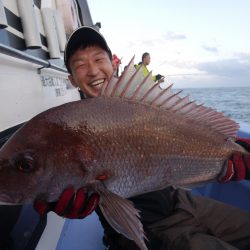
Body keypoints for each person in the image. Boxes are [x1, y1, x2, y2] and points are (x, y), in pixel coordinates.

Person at [34, 26, 250, 250]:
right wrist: (52, 196)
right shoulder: (68, 131)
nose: (92, 70)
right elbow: (57, 173)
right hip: (150, 228)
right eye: (80, 65)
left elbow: (183, 131)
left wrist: (232, 150)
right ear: (71, 79)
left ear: (113, 64)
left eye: (99, 59)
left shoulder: (142, 106)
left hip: (179, 200)